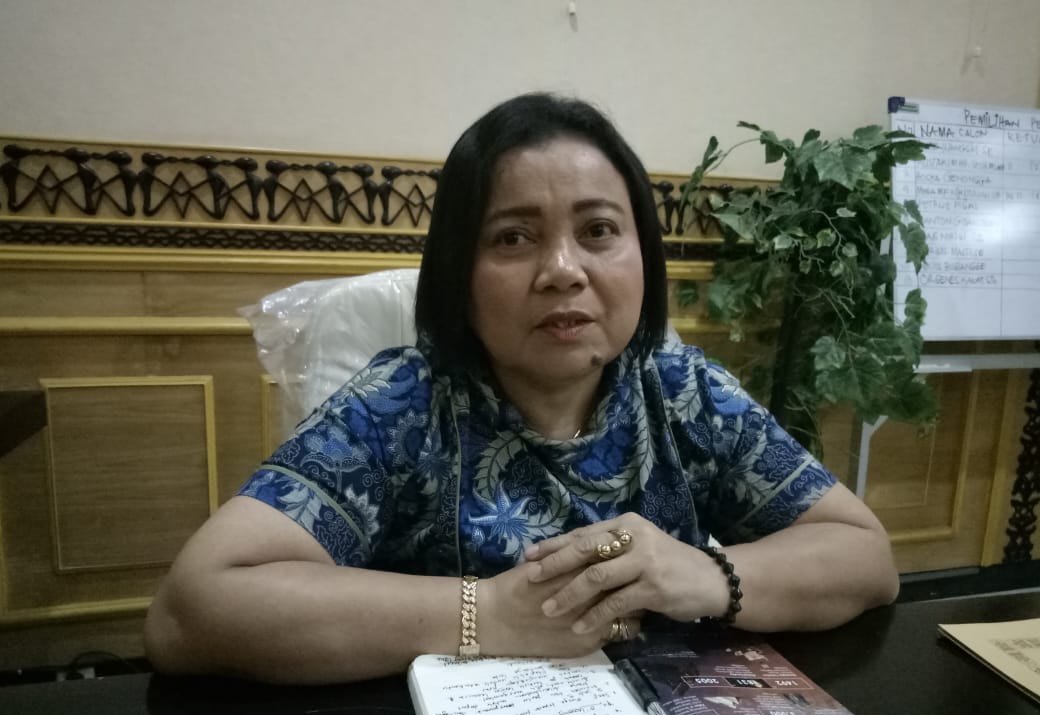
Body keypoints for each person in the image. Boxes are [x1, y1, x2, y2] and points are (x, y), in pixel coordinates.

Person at [144, 93, 899, 684]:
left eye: (598, 231)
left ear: (643, 255)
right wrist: (492, 614)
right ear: (458, 273)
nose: (563, 270)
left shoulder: (683, 392)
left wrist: (705, 573)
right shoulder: (401, 403)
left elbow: (865, 557)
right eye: (513, 237)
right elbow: (191, 611)